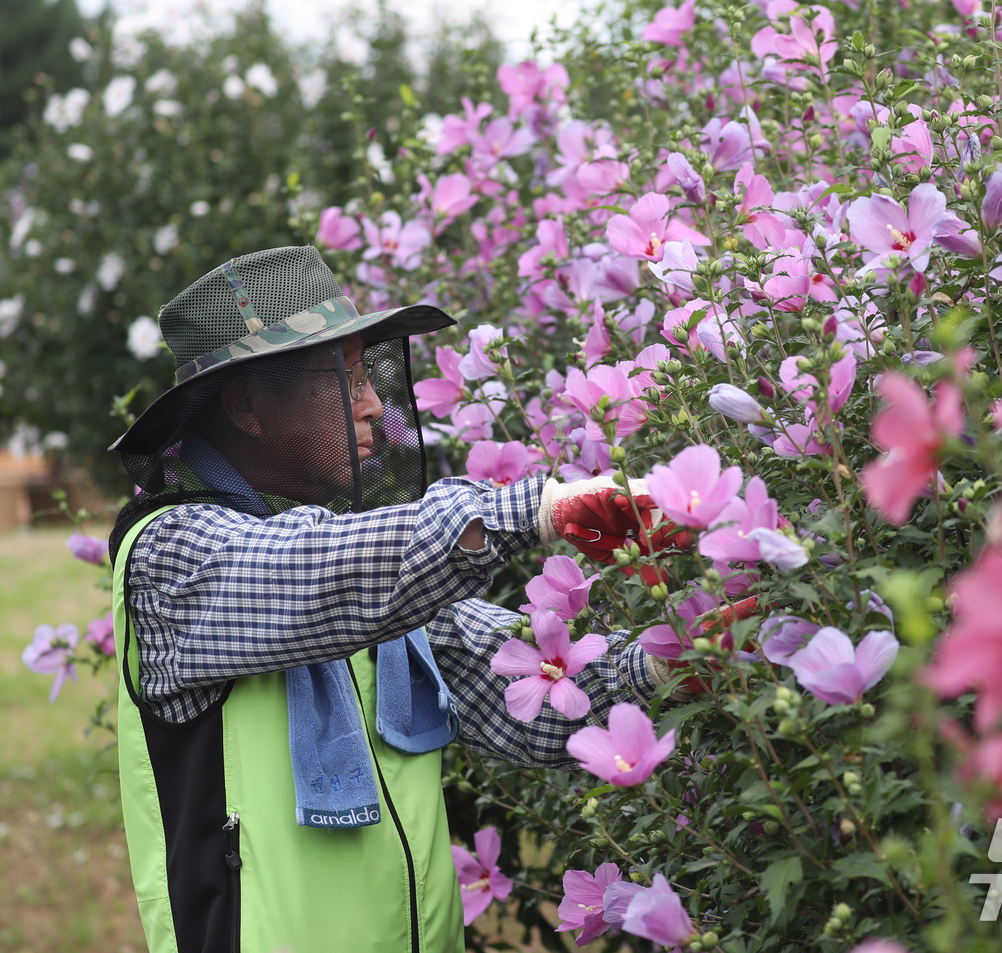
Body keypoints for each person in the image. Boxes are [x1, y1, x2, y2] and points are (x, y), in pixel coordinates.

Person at [107, 246, 680, 953]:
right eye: (346, 381)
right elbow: (309, 575)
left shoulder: (378, 578)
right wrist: (536, 509)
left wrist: (671, 666)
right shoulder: (174, 556)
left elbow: (519, 692)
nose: (377, 405)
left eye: (369, 376)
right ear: (250, 406)